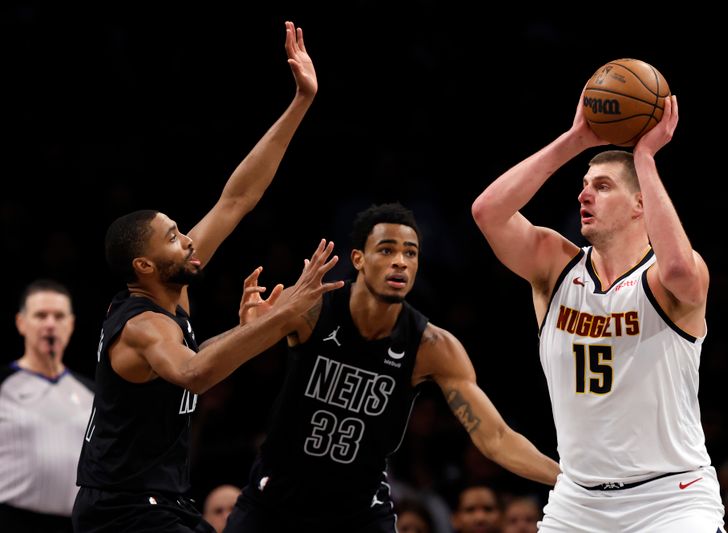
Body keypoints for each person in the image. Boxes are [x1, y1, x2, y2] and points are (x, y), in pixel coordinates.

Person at [72, 21, 344, 533]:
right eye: (174, 237)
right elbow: (196, 372)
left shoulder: (173, 289)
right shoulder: (144, 325)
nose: (190, 240)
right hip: (122, 510)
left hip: (161, 502)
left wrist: (302, 101)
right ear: (144, 267)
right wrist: (279, 317)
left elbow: (236, 199)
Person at [472, 92, 726, 532]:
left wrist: (645, 158)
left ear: (640, 203)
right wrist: (574, 140)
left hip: (671, 498)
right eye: (585, 185)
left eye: (602, 186)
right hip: (579, 501)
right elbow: (487, 212)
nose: (585, 194)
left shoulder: (661, 279)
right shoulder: (556, 266)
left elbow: (681, 270)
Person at [224, 203, 559, 533]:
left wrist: (570, 480)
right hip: (274, 502)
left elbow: (496, 438)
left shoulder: (432, 346)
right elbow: (210, 368)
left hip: (358, 512)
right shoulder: (310, 311)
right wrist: (245, 332)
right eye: (386, 250)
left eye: (410, 253)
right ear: (358, 259)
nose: (400, 261)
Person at [0, 279, 93, 533]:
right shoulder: (3, 385)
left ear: (71, 324)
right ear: (21, 322)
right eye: (41, 316)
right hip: (11, 520)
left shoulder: (92, 393)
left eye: (59, 316)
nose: (50, 324)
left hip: (76, 525)